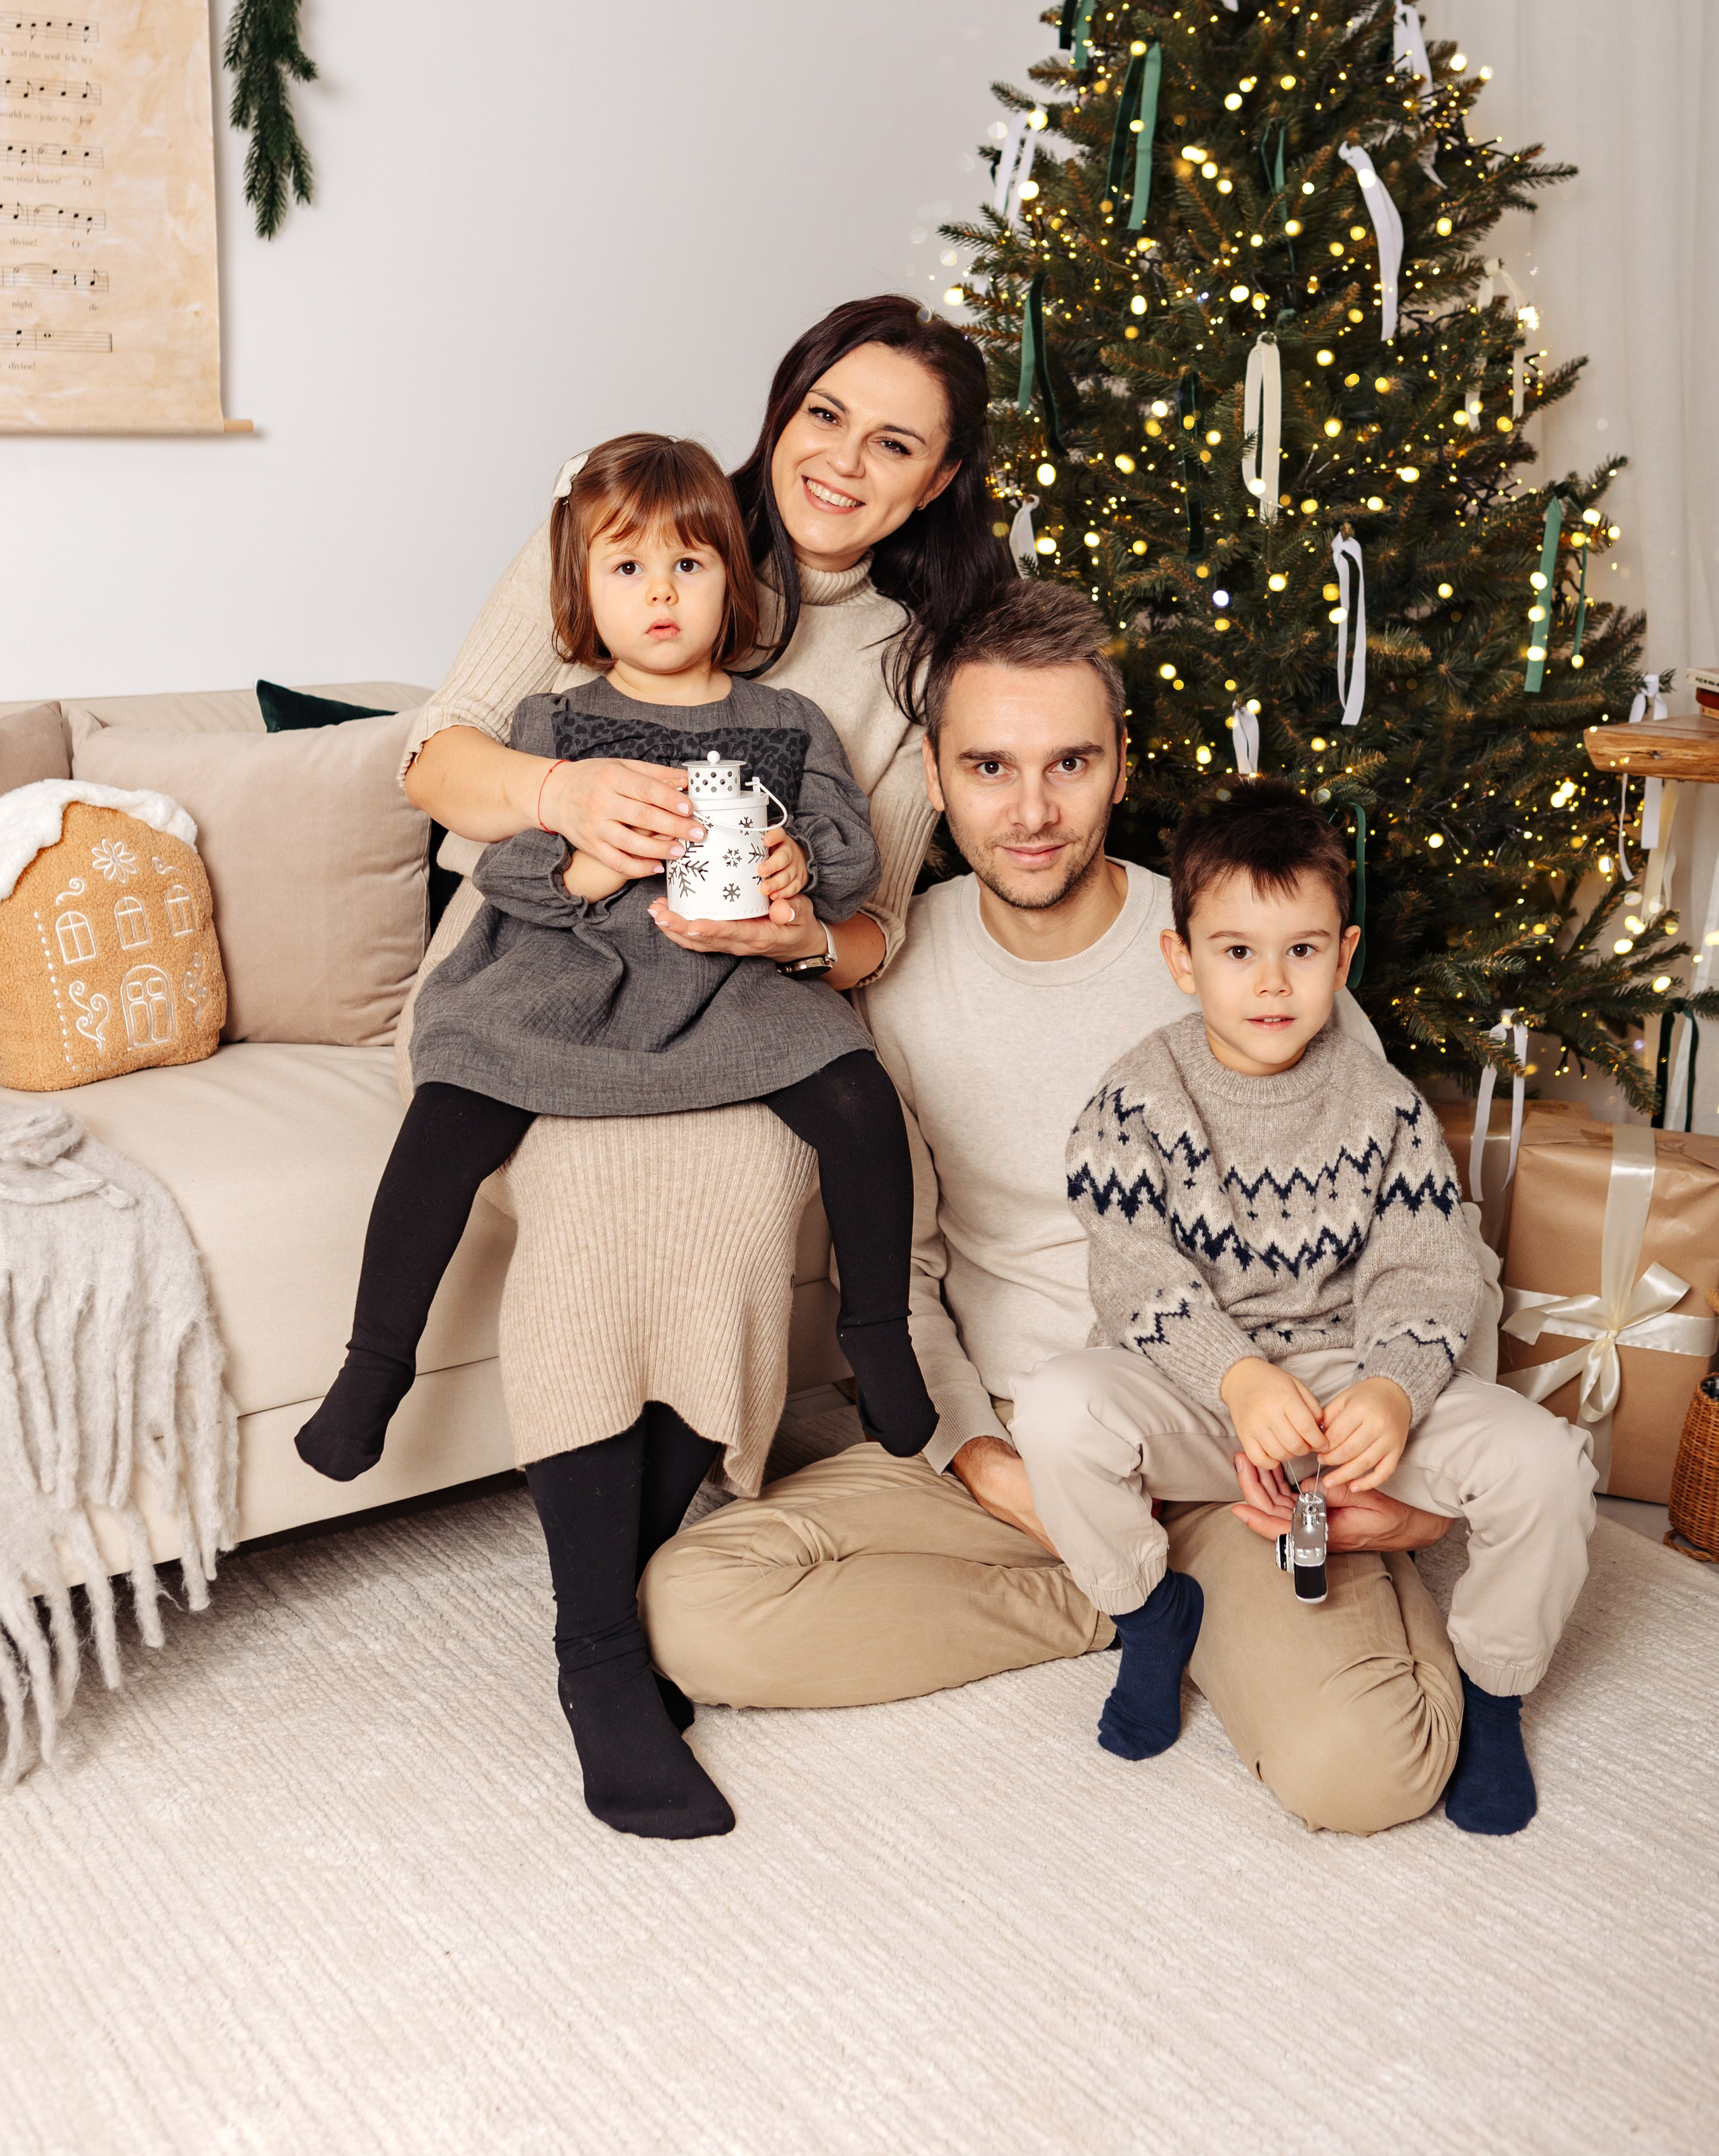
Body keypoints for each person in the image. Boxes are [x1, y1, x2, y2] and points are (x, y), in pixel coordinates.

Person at [645, 579, 1497, 1834]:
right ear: (933, 774)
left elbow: (1425, 1233)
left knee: (1367, 1772)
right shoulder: (897, 972)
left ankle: (1189, 1581)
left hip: (1242, 1447)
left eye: (1070, 763)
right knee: (698, 1606)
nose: (1031, 811)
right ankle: (1120, 1597)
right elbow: (907, 1269)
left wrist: (1419, 1500)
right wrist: (977, 1458)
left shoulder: (1245, 949)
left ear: (1120, 767)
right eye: (990, 764)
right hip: (1024, 1444)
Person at [371, 295, 1006, 1841]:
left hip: (737, 1016)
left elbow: (873, 935)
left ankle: (636, 1576)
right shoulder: (637, 518)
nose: (844, 462)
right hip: (541, 992)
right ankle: (599, 1656)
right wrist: (560, 792)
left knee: (732, 1199)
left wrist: (800, 932)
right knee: (597, 1216)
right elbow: (431, 756)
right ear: (779, 408)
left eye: (895, 443)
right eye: (824, 416)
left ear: (934, 483)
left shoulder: (925, 669)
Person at [1018, 776, 1597, 1836]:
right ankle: (1151, 1616)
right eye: (1237, 950)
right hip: (1201, 1390)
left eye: (1303, 949)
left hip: (1351, 1385)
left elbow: (1428, 1268)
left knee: (1547, 1465)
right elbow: (1132, 1268)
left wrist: (1393, 1386)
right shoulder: (1135, 1097)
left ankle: (1497, 1689)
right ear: (1181, 958)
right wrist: (1234, 1377)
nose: (1272, 982)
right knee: (1057, 1409)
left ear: (1345, 952)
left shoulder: (1382, 1103)